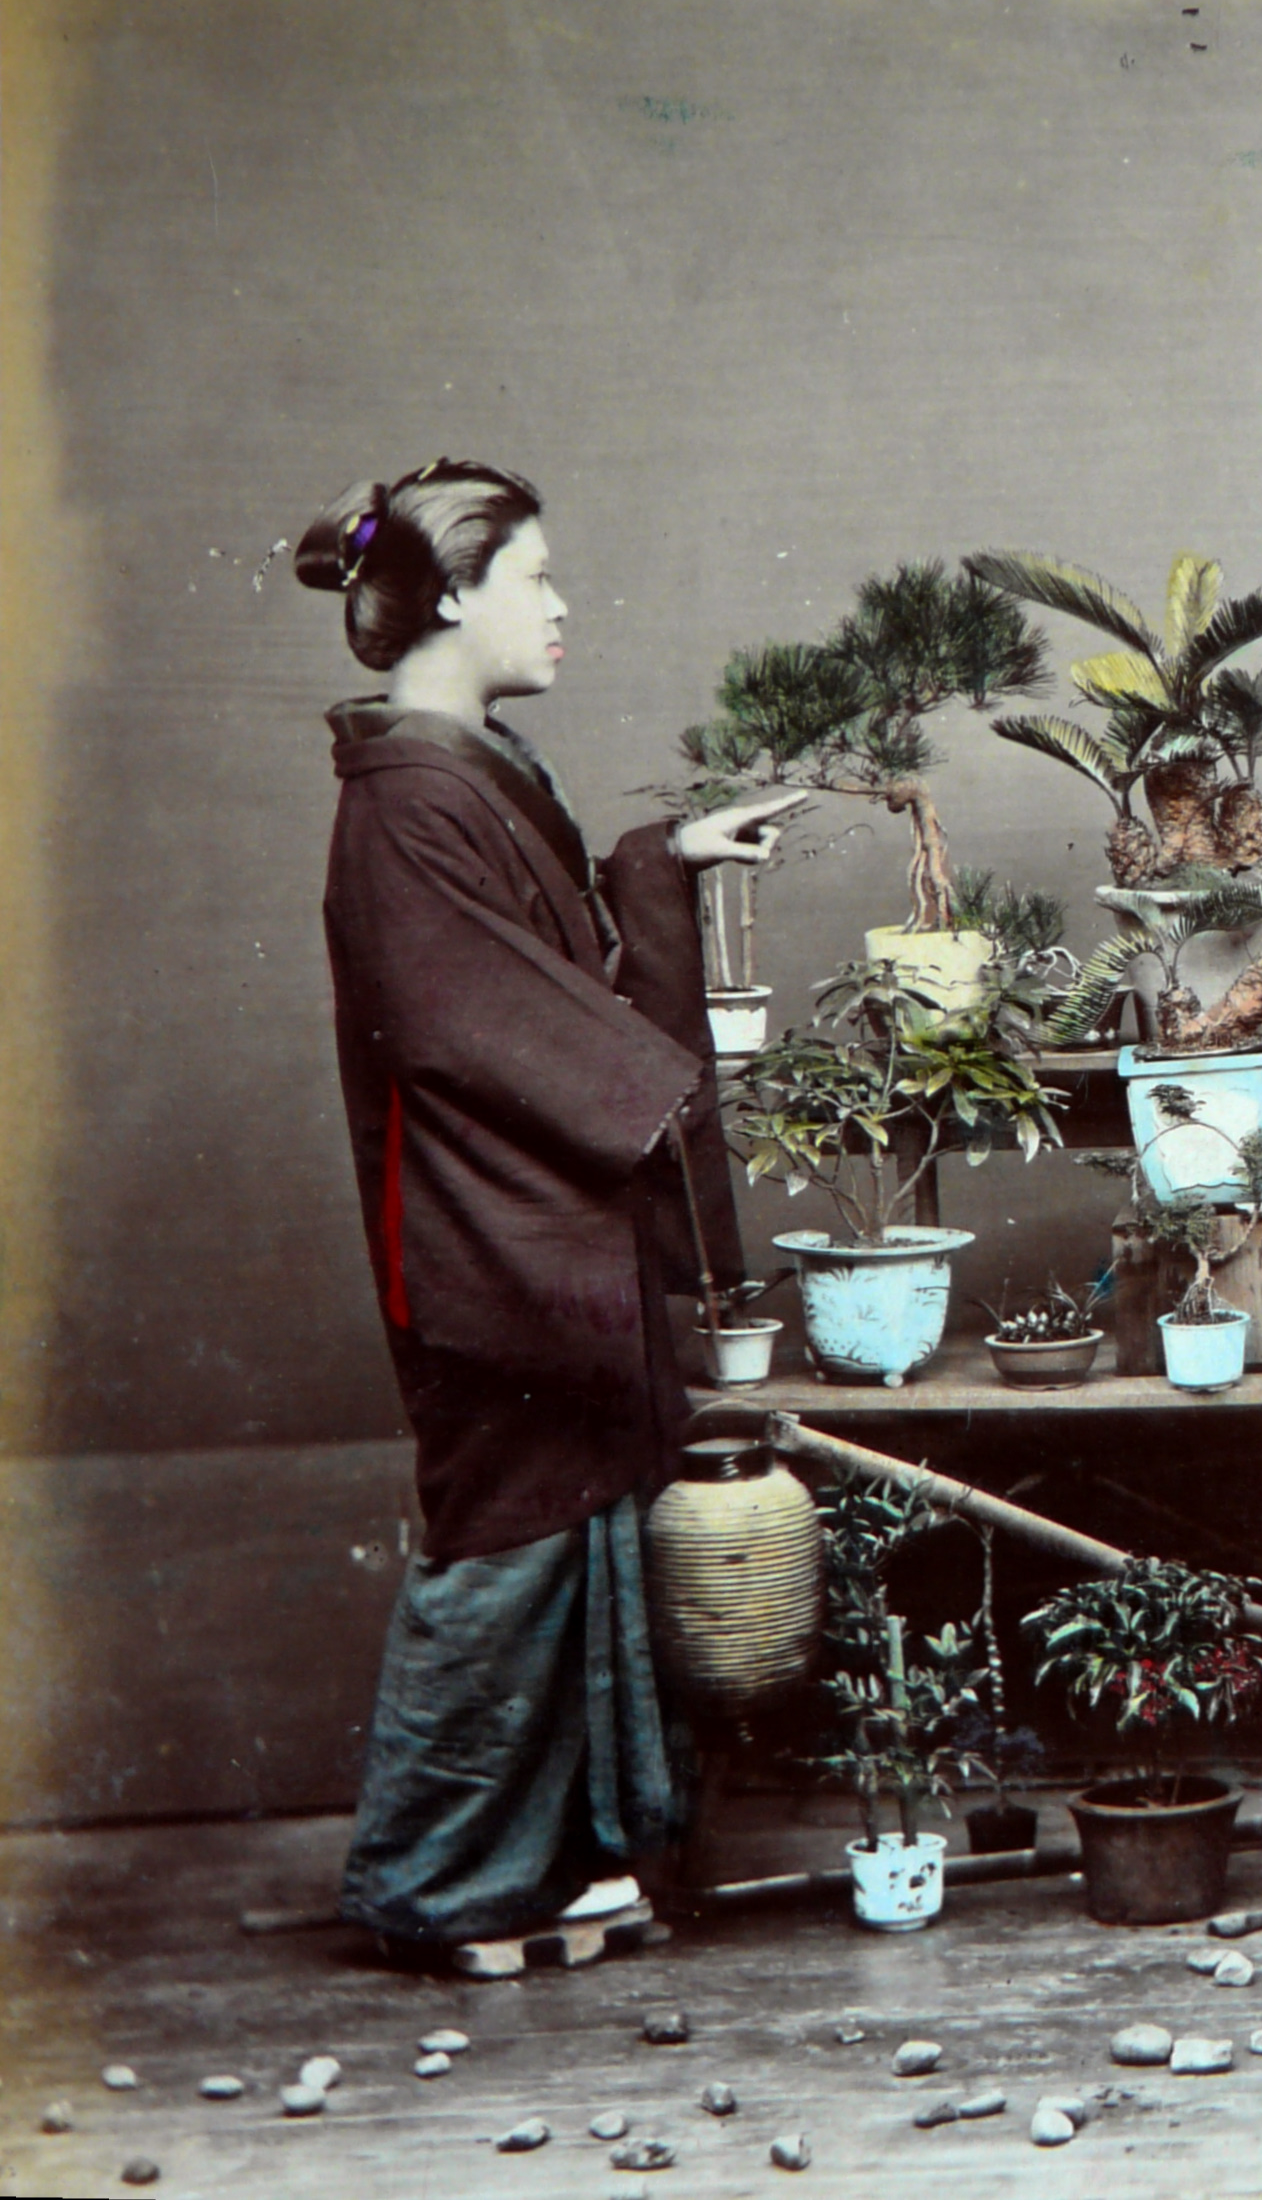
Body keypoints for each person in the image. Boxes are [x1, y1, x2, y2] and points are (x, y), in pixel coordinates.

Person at [297, 459, 805, 1965]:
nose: (565, 603)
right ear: (451, 594)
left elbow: (549, 943)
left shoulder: (470, 761)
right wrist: (643, 1091)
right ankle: (434, 1885)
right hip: (479, 1228)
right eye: (536, 575)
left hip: (526, 1219)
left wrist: (660, 865)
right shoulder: (406, 800)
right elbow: (466, 1012)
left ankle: (551, 1857)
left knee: (577, 1522)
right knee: (512, 1539)